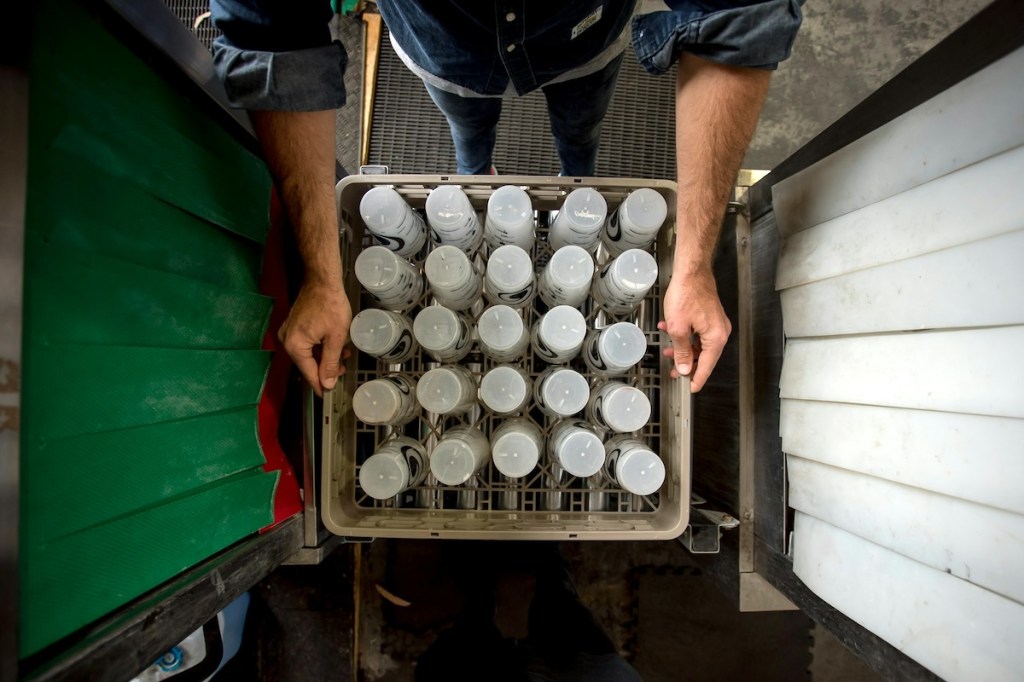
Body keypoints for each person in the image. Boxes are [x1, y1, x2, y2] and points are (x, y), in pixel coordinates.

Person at [210, 1, 803, 396]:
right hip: (448, 60)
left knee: (581, 131)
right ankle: (480, 174)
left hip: (583, 44)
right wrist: (320, 271)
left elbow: (741, 17)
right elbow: (272, 40)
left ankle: (577, 178)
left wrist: (694, 263)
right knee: (468, 130)